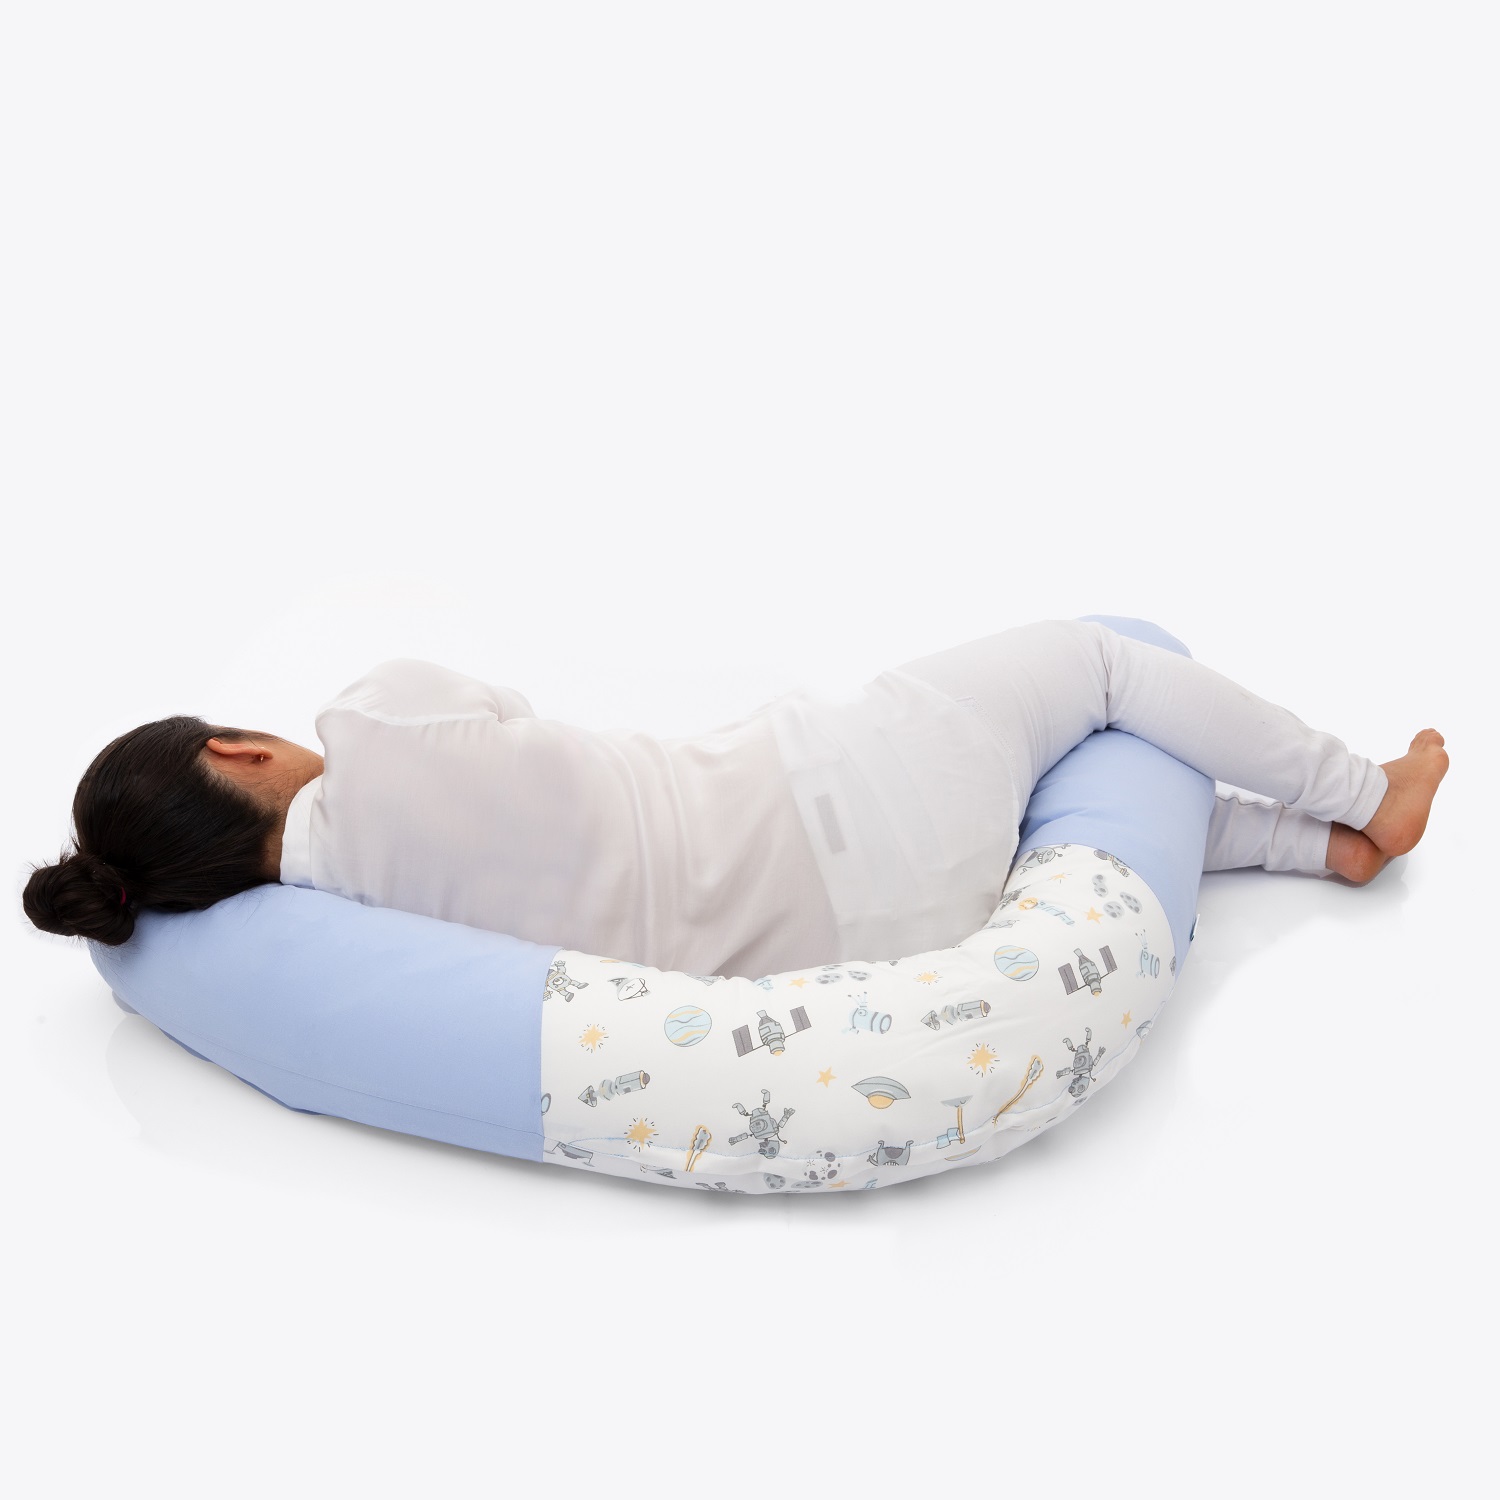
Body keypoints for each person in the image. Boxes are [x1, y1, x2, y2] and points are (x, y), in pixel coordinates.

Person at [23, 617, 1448, 978]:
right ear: (241, 755)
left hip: (877, 934)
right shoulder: (371, 727)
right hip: (843, 794)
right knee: (1100, 670)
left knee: (1032, 809)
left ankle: (1303, 847)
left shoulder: (339, 930)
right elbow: (509, 708)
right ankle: (1364, 793)